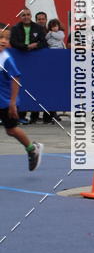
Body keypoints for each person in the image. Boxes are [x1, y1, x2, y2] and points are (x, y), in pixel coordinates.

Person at [0, 24, 43, 170]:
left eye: (7, 38)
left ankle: (32, 149)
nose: (4, 41)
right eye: (1, 37)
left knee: (11, 130)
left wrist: (12, 103)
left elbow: (16, 78)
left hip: (7, 102)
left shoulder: (6, 59)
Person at [9, 8, 47, 124]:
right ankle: (20, 115)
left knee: (34, 86)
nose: (26, 17)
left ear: (31, 16)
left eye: (28, 15)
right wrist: (26, 47)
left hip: (35, 61)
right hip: (20, 60)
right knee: (20, 86)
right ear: (20, 17)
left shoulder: (39, 28)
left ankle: (35, 116)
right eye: (23, 15)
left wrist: (35, 45)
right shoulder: (15, 28)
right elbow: (13, 42)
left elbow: (44, 43)